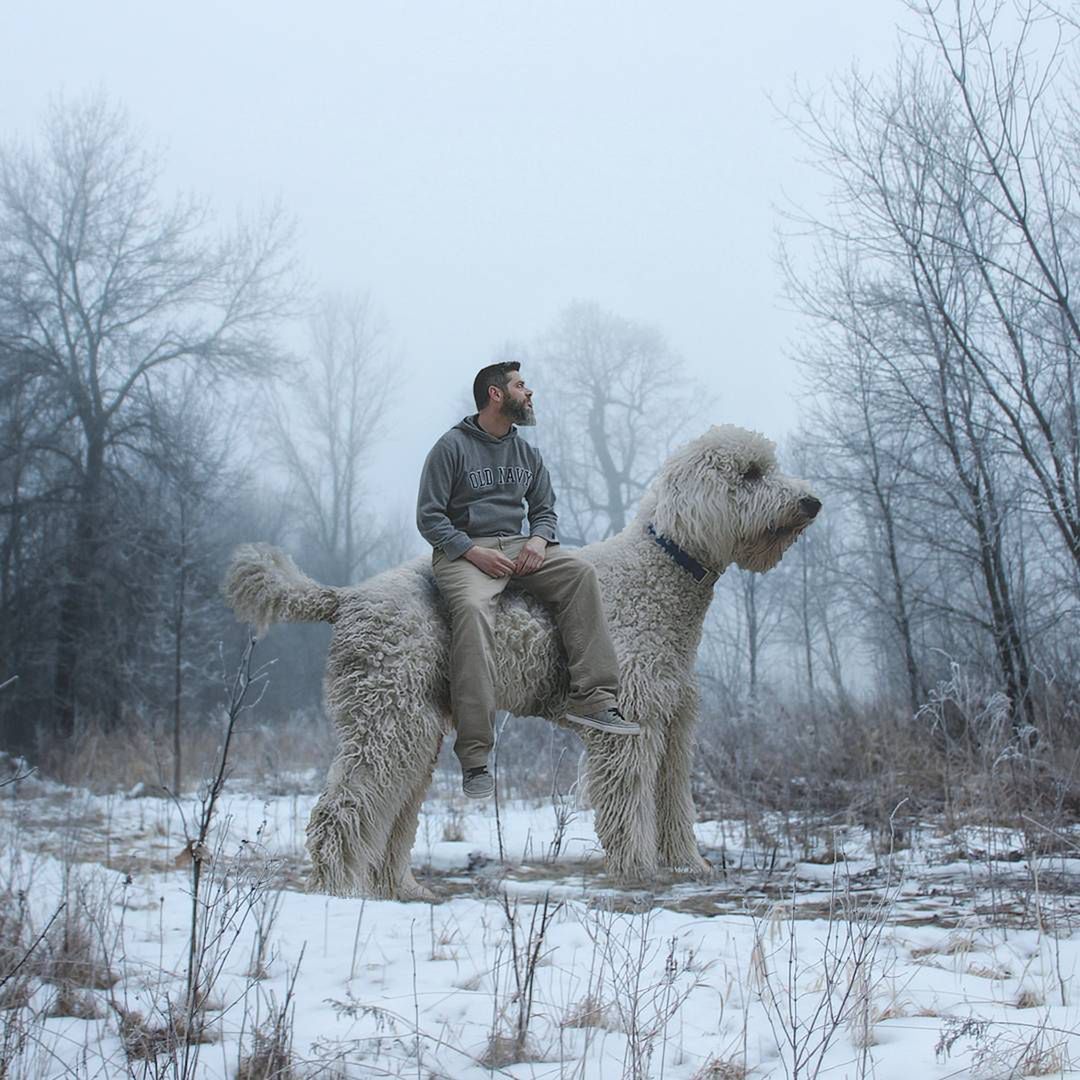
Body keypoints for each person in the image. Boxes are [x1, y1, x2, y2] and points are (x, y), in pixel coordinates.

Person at [416, 361, 639, 798]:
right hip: (464, 551)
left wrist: (539, 539)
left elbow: (544, 509)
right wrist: (472, 551)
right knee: (474, 613)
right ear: (496, 395)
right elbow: (429, 517)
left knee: (580, 574)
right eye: (521, 386)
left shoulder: (526, 453)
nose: (530, 392)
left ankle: (595, 701)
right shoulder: (451, 448)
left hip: (520, 547)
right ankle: (476, 758)